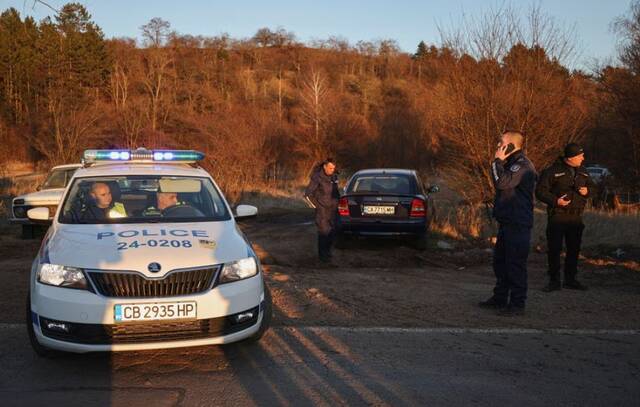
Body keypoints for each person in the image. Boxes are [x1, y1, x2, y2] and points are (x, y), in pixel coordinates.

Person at [479, 131, 537, 316]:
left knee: (514, 264)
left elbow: (502, 183)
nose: (498, 146)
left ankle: (517, 304)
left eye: (501, 143)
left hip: (518, 223)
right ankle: (500, 298)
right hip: (507, 222)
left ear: (511, 146)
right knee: (501, 263)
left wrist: (496, 162)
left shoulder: (522, 166)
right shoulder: (511, 164)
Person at [536, 143, 593, 291]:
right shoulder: (551, 172)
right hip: (558, 217)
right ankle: (554, 281)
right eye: (580, 155)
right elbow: (540, 192)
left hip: (576, 218)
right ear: (571, 157)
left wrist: (587, 191)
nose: (583, 158)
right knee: (554, 249)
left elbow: (594, 189)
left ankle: (571, 279)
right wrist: (556, 201)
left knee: (574, 249)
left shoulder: (583, 171)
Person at [304, 158, 340, 263]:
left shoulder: (334, 176)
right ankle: (322, 257)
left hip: (333, 209)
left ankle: (328, 254)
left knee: (333, 231)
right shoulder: (317, 177)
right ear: (324, 167)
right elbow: (308, 195)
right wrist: (317, 206)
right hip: (322, 210)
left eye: (333, 168)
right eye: (330, 168)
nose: (332, 170)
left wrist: (338, 201)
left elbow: (336, 192)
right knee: (324, 232)